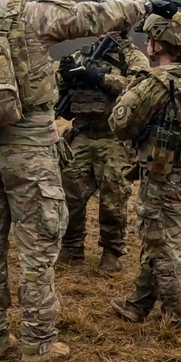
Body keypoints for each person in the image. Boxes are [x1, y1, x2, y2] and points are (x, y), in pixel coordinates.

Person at [0, 0, 181, 362]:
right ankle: (38, 343)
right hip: (31, 156)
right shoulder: (33, 15)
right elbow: (94, 15)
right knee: (36, 253)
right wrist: (147, 6)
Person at [108, 11, 181, 328]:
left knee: (167, 250)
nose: (146, 43)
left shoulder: (157, 82)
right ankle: (138, 305)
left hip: (164, 180)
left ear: (159, 42)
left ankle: (177, 321)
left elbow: (120, 124)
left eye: (150, 37)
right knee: (160, 244)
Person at [56, 31, 149, 271]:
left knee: (113, 197)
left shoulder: (133, 57)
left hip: (114, 139)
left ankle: (111, 251)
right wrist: (66, 75)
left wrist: (100, 79)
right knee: (70, 194)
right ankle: (71, 247)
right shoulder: (84, 54)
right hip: (82, 134)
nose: (103, 31)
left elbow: (141, 87)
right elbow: (57, 88)